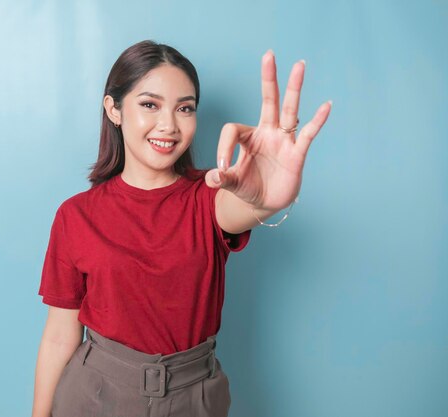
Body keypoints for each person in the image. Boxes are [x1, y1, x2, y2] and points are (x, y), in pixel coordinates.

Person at [31, 40, 331, 417]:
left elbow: (240, 205)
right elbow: (60, 335)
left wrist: (268, 196)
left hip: (194, 398)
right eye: (149, 104)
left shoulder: (210, 194)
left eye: (184, 108)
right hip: (96, 394)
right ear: (114, 109)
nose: (169, 125)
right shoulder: (76, 215)